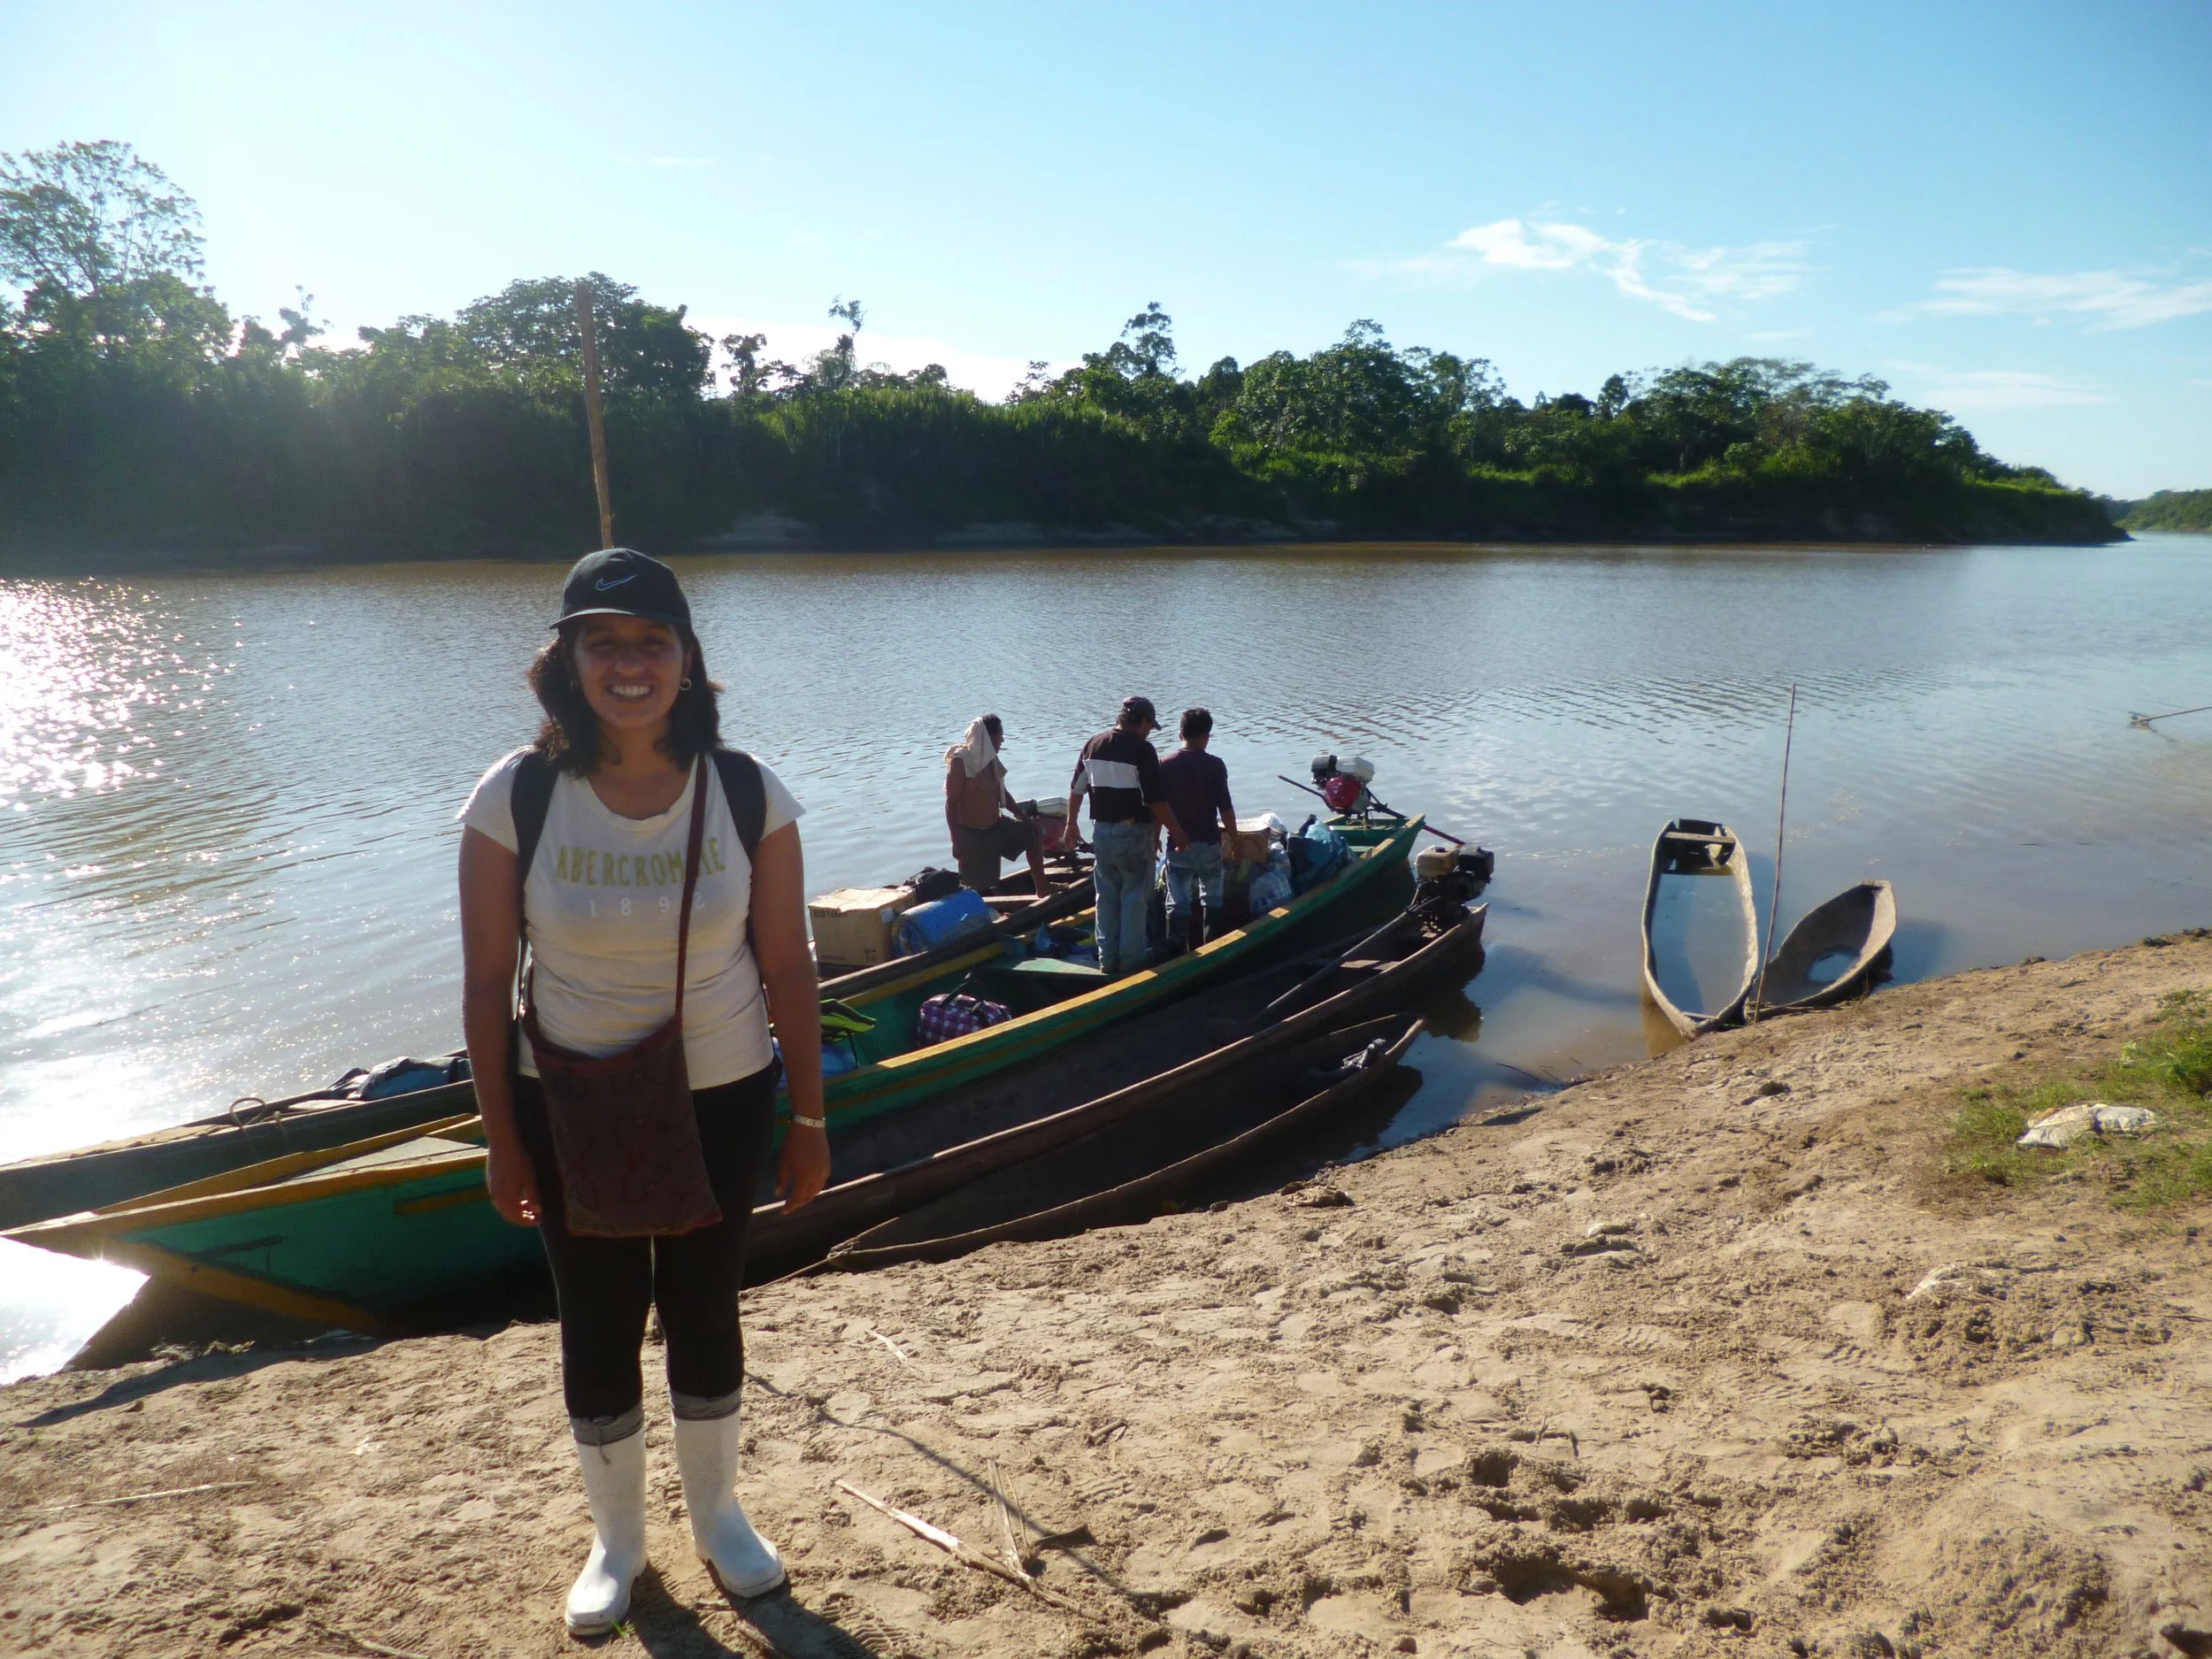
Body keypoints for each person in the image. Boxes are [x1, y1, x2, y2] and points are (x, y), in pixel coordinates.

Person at [456, 548, 831, 1634]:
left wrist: (808, 1117)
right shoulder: (515, 795)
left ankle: (717, 1516)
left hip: (721, 1086)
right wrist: (500, 1139)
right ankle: (617, 1542)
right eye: (601, 643)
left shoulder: (748, 789)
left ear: (687, 660)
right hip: (564, 1099)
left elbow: (790, 966)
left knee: (706, 1301)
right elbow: (486, 983)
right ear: (564, 661)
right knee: (598, 1317)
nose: (629, 665)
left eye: (650, 642)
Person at [1065, 695, 1185, 977]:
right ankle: (1131, 963)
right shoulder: (1143, 751)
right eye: (1149, 726)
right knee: (1134, 898)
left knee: (1105, 896)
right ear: (1142, 722)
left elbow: (1076, 790)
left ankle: (1107, 961)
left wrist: (1071, 824)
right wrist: (1176, 831)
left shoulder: (1092, 744)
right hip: (1134, 832)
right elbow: (1155, 801)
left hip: (1103, 832)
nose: (1148, 732)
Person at [1156, 707, 1237, 951]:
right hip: (1209, 845)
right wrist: (1236, 842)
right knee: (1212, 898)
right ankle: (1211, 949)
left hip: (1178, 846)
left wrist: (1153, 839)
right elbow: (1225, 808)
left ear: (1180, 733)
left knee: (1177, 904)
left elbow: (1158, 807)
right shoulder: (1215, 765)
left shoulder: (1164, 764)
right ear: (1206, 735)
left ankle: (1177, 958)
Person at [944, 714, 1046, 895]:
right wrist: (956, 839)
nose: (1003, 740)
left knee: (1033, 833)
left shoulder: (991, 761)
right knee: (979, 889)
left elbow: (1003, 795)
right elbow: (951, 803)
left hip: (996, 827)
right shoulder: (960, 762)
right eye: (1001, 735)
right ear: (988, 737)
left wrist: (1025, 819)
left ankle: (1042, 887)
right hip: (972, 836)